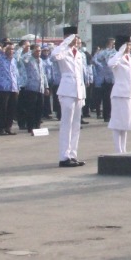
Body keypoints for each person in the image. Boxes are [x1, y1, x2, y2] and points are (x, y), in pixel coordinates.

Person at [52, 26, 88, 167]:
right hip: (67, 90)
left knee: (76, 125)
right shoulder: (63, 51)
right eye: (75, 37)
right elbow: (54, 56)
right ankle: (64, 156)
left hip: (78, 91)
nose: (78, 40)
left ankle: (73, 154)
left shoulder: (78, 54)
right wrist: (65, 42)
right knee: (66, 124)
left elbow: (80, 74)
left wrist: (83, 94)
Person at [106, 39, 131, 153]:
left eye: (129, 45)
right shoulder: (116, 57)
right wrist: (120, 52)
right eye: (127, 45)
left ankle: (123, 149)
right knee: (117, 123)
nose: (129, 47)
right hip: (119, 93)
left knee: (126, 124)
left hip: (130, 93)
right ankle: (118, 149)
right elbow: (111, 64)